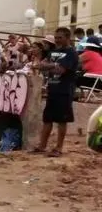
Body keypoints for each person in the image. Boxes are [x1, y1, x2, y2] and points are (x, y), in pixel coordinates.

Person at [33, 27, 78, 157]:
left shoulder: (71, 53)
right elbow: (41, 65)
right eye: (56, 37)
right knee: (47, 119)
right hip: (52, 89)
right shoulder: (54, 52)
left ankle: (59, 148)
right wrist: (52, 66)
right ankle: (42, 145)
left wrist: (49, 66)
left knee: (61, 120)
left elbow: (61, 70)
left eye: (60, 37)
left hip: (64, 90)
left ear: (67, 38)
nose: (57, 40)